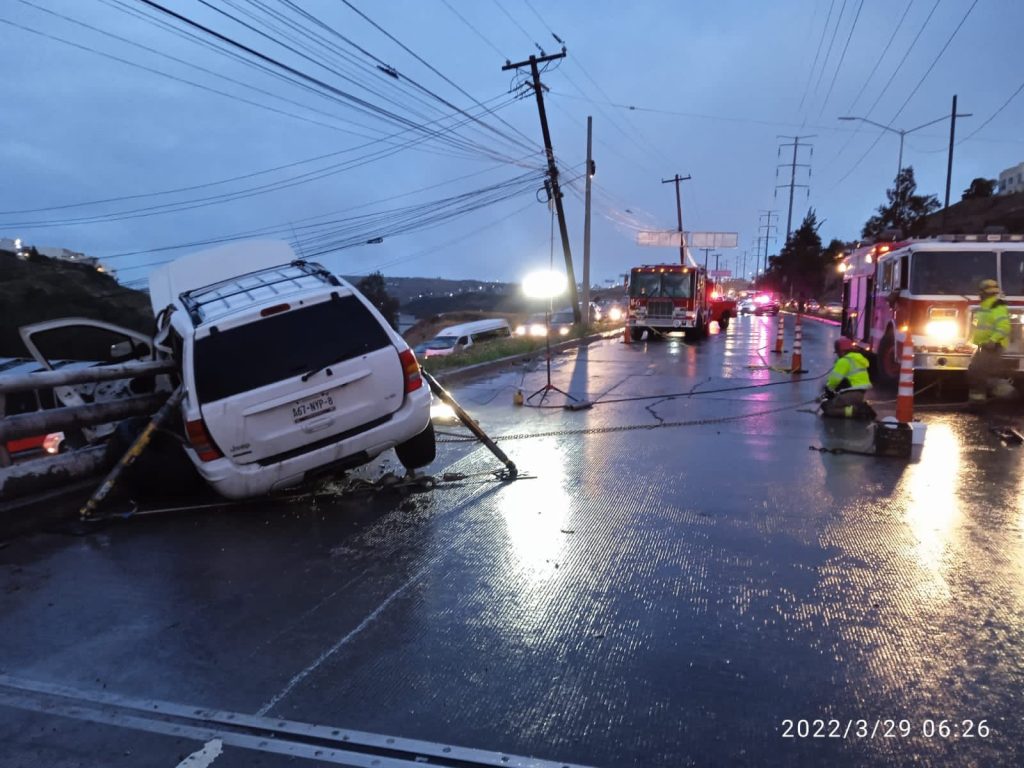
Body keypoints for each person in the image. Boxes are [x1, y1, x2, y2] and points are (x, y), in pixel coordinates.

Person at [967, 279, 1012, 402]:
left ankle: (1009, 394)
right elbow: (983, 327)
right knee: (975, 372)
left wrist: (992, 340)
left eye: (980, 292)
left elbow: (1004, 327)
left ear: (985, 292)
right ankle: (977, 401)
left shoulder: (996, 306)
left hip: (992, 347)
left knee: (980, 374)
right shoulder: (986, 306)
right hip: (984, 346)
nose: (979, 294)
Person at [821, 338, 875, 419]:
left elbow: (834, 380)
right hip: (860, 394)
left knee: (828, 408)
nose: (837, 355)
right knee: (834, 402)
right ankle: (856, 408)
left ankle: (856, 411)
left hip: (850, 394)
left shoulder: (844, 361)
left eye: (838, 353)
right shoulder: (858, 358)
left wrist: (828, 390)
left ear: (842, 351)